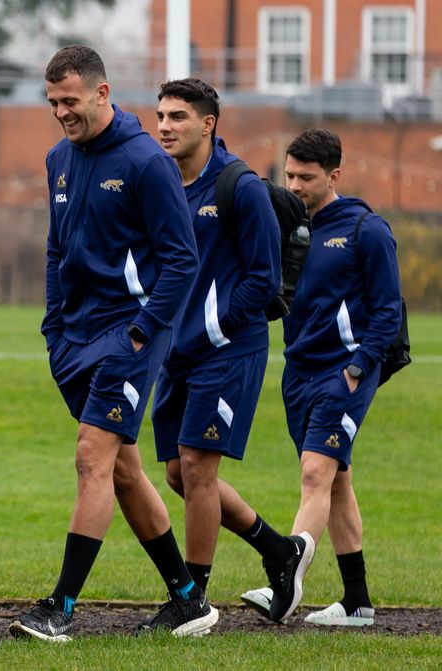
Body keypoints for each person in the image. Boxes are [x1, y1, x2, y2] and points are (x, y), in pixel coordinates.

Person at [9, 46, 213, 642]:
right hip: (74, 338)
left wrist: (143, 330)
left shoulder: (146, 161)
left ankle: (60, 608)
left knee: (92, 456)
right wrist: (53, 327)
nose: (61, 113)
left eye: (69, 101)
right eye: (52, 102)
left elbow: (182, 260)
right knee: (124, 470)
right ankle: (188, 599)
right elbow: (56, 249)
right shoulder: (58, 159)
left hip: (129, 335)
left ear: (102, 93)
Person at [151, 78, 303, 607]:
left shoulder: (241, 187)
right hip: (176, 352)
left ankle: (192, 600)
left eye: (177, 117)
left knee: (197, 466)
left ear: (208, 124)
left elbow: (263, 280)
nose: (165, 126)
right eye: (160, 116)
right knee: (178, 474)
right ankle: (279, 551)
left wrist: (211, 330)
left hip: (228, 348)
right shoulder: (163, 184)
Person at [241, 128, 401, 626]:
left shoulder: (366, 229)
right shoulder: (286, 227)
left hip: (345, 371)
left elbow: (388, 309)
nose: (295, 185)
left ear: (334, 176)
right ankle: (357, 603)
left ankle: (283, 579)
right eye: (289, 175)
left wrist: (359, 367)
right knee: (335, 482)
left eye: (306, 177)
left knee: (314, 473)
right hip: (298, 372)